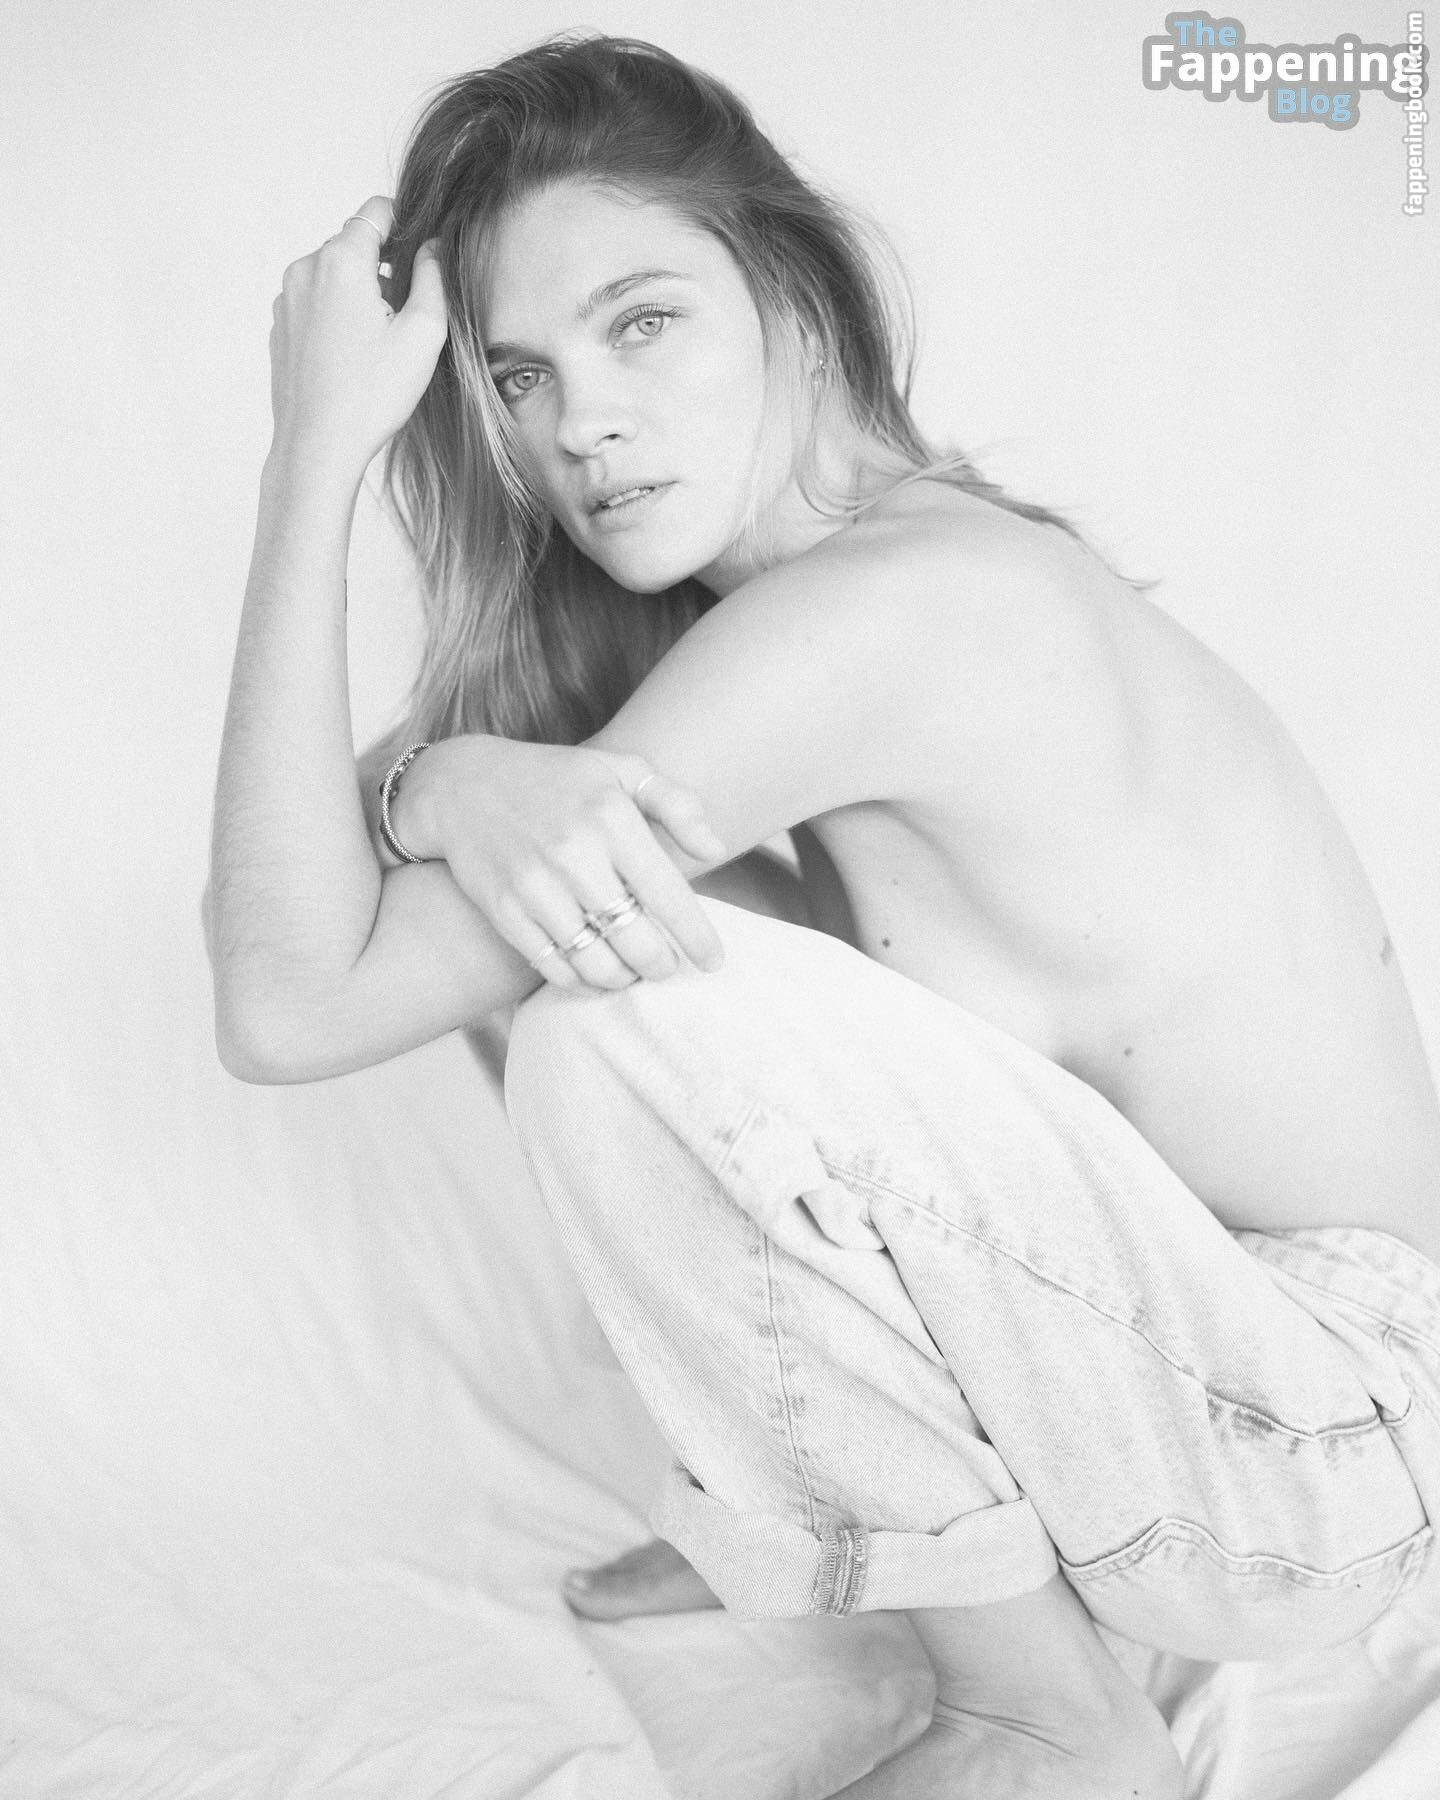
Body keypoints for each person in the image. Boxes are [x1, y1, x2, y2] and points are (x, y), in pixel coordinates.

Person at [207, 31, 1440, 1799]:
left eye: (644, 324)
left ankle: (1048, 1725)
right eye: (523, 375)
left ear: (793, 301)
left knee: (616, 1009)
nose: (581, 424)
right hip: (1219, 1394)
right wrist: (450, 783)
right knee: (559, 896)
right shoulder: (796, 606)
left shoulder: (886, 614)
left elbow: (289, 1003)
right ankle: (820, 1513)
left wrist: (311, 458)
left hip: (1330, 1443)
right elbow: (304, 899)